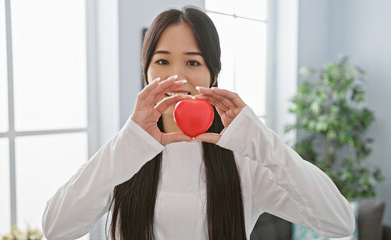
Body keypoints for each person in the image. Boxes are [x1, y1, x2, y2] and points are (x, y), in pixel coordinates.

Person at [42, 6, 355, 240]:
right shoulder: (124, 155)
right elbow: (56, 227)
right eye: (162, 61)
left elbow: (339, 222)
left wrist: (261, 141)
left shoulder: (245, 159)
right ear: (146, 72)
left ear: (213, 75)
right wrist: (131, 143)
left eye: (193, 62)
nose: (177, 76)